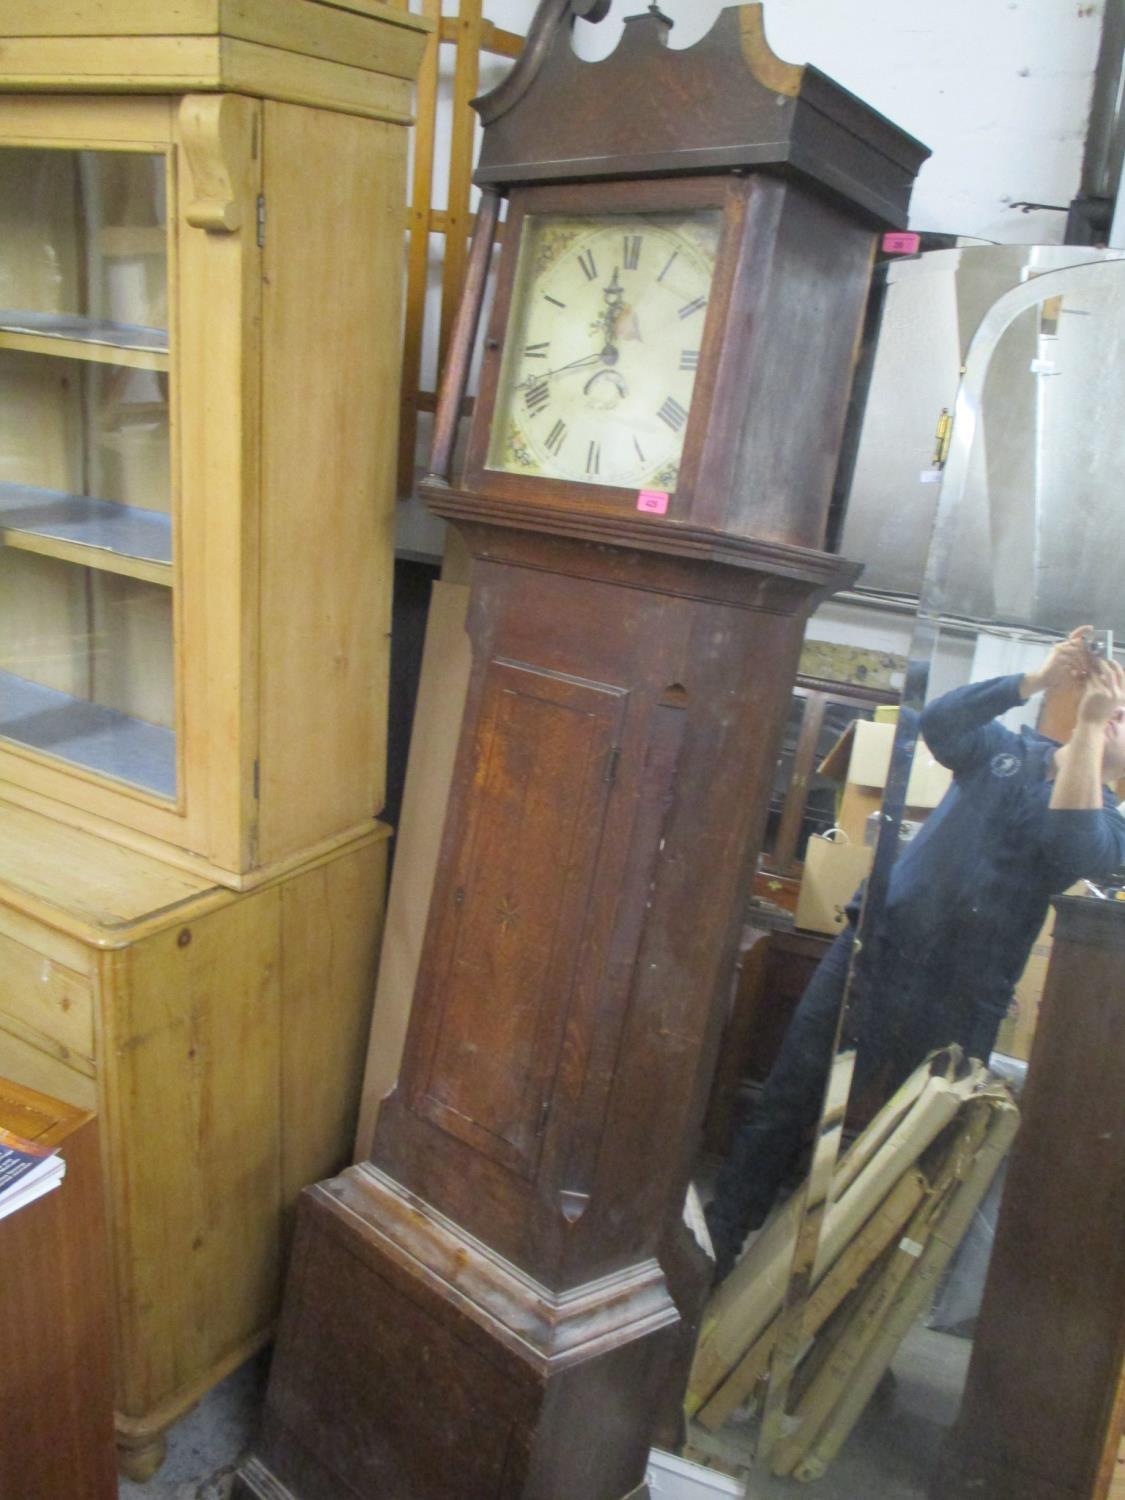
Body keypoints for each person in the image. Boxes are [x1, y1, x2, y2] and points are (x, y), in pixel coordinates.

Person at [705, 628, 1125, 1283]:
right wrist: (1037, 680)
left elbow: (1075, 848)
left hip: (962, 994)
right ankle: (714, 1253)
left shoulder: (1110, 823)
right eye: (1113, 711)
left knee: (910, 1148)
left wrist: (1092, 735)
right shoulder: (1005, 751)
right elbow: (939, 721)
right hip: (873, 951)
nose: (1112, 719)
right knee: (788, 1102)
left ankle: (839, 1308)